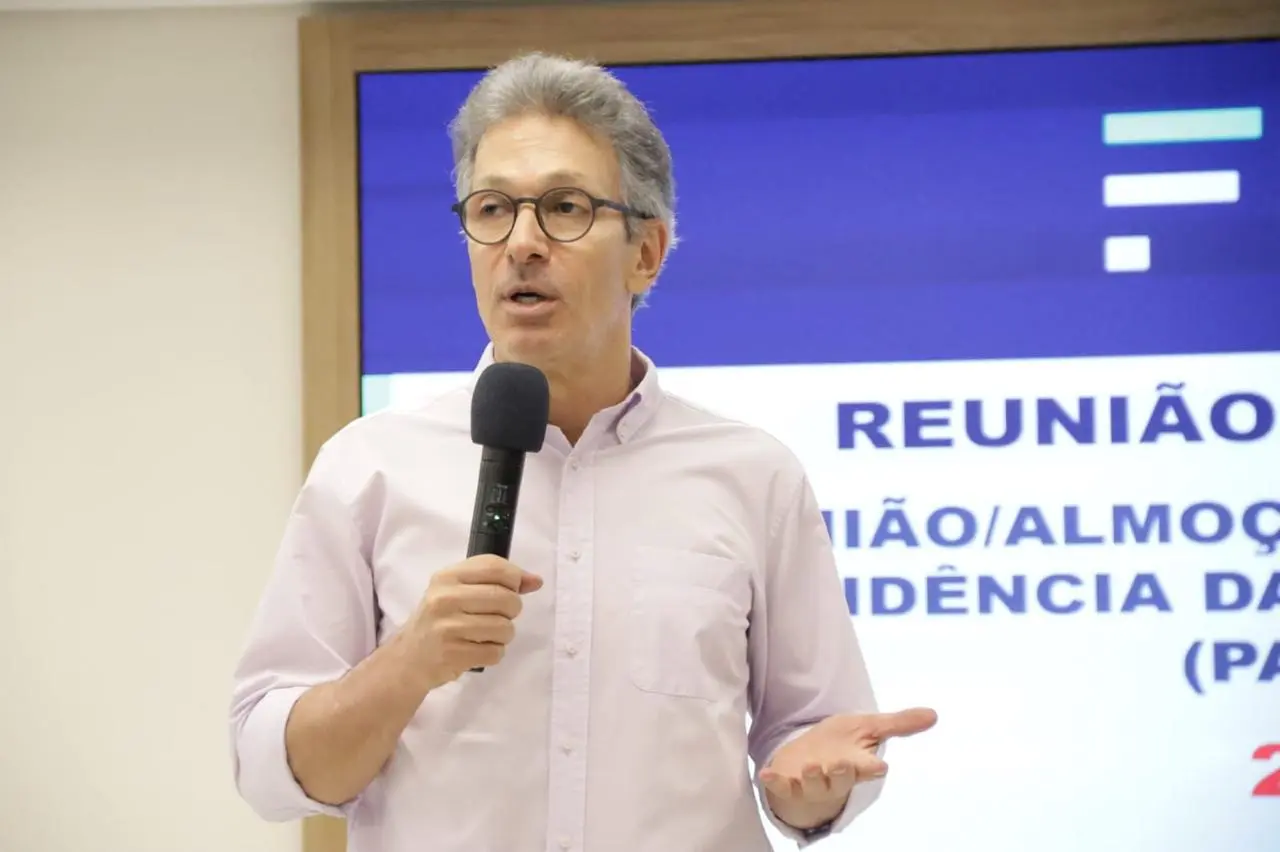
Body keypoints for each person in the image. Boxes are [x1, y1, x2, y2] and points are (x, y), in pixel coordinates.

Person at [229, 51, 937, 852]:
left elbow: (813, 741)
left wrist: (814, 786)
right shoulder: (369, 468)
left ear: (647, 252)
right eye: (493, 209)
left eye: (564, 207)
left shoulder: (752, 476)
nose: (522, 243)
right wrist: (410, 662)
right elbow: (269, 770)